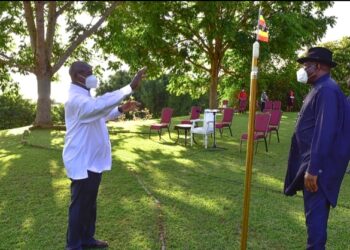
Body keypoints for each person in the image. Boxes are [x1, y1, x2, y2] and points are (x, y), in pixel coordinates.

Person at [62, 61, 147, 250]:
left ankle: (87, 238)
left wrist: (121, 109)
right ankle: (73, 245)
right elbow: (96, 107)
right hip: (82, 161)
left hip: (92, 160)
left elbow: (100, 113)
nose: (93, 76)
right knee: (79, 205)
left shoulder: (86, 98)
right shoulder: (75, 100)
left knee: (89, 203)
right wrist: (129, 87)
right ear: (78, 76)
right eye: (89, 73)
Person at [284, 47, 350, 249]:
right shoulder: (320, 88)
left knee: (316, 221)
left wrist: (314, 170)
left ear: (318, 66)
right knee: (313, 218)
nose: (303, 69)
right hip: (313, 166)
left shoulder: (327, 90)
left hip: (319, 171)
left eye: (306, 65)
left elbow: (325, 132)